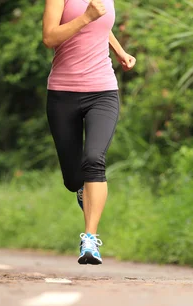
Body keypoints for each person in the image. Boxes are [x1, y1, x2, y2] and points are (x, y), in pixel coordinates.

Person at [42, 0, 135, 265]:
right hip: (63, 94)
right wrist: (85, 17)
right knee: (73, 179)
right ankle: (83, 190)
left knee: (94, 159)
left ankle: (90, 240)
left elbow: (101, 25)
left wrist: (119, 51)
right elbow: (49, 37)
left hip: (103, 91)